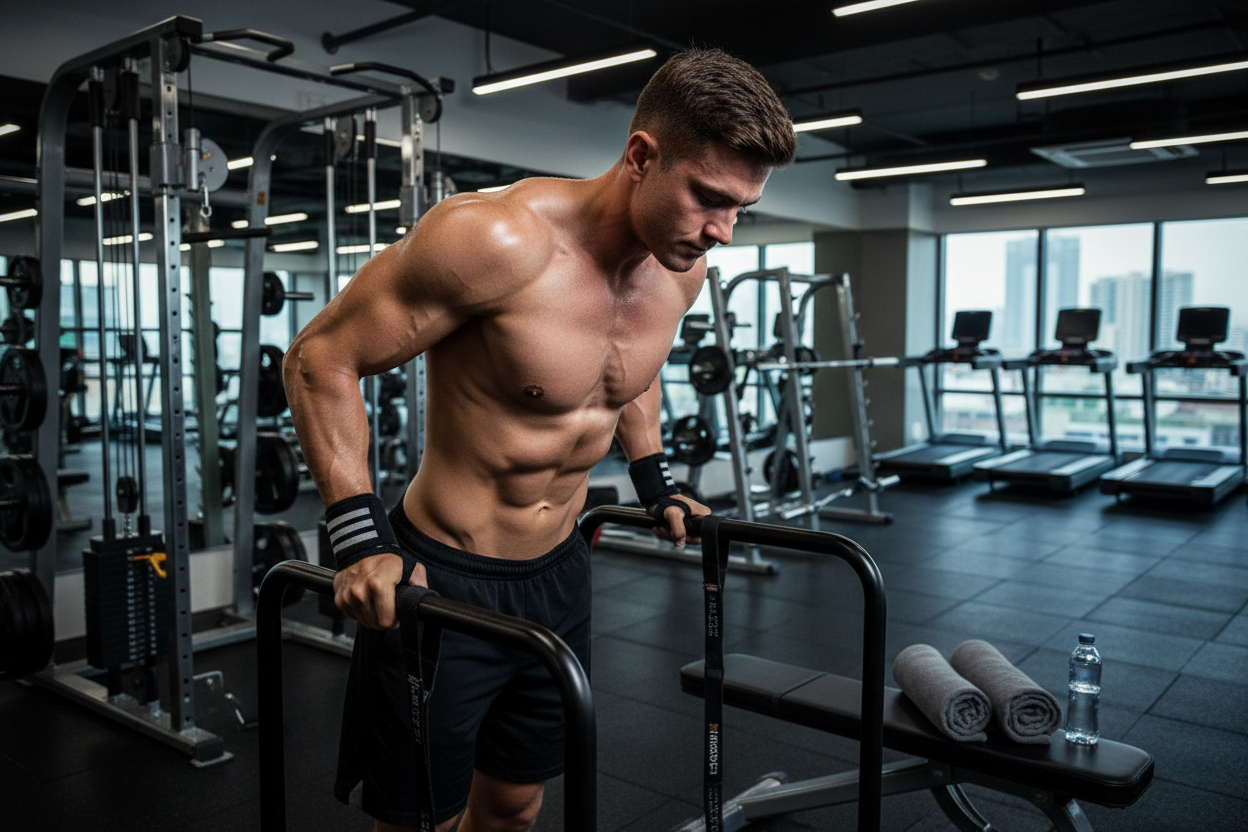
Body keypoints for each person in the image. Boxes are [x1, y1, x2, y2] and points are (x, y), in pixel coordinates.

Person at [283, 47, 796, 832]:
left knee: (518, 808)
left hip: (560, 578)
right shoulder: (493, 241)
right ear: (640, 156)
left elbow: (631, 366)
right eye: (709, 198)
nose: (723, 230)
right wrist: (358, 538)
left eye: (741, 209)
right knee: (423, 820)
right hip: (445, 580)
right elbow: (321, 356)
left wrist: (653, 480)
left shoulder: (679, 270)